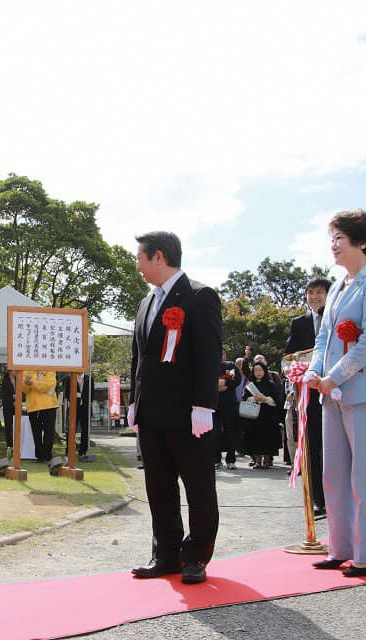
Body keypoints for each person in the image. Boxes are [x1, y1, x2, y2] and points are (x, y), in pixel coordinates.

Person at [306, 209, 366, 577]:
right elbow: (324, 336)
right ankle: (340, 547)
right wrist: (315, 370)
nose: (333, 246)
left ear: (361, 241)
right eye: (331, 239)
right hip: (332, 394)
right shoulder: (340, 285)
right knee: (334, 473)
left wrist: (335, 376)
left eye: (339, 238)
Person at [128, 231, 222, 585]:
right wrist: (135, 401)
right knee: (159, 486)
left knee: (198, 487)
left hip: (187, 413)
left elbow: (209, 356)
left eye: (140, 257)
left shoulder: (199, 296)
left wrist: (203, 405)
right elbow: (140, 355)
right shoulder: (146, 302)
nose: (137, 265)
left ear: (159, 257)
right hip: (152, 413)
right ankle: (165, 553)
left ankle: (196, 555)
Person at [284, 276, 331, 515]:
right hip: (309, 395)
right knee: (312, 445)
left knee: (334, 446)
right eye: (311, 293)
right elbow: (289, 357)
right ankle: (317, 498)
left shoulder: (337, 319)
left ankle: (338, 496)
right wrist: (293, 370)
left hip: (334, 391)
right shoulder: (299, 323)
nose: (315, 297)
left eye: (320, 292)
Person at [240, 362, 283, 469]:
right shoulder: (250, 385)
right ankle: (257, 460)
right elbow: (245, 398)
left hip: (268, 415)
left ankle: (267, 460)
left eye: (260, 370)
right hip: (254, 416)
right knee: (255, 437)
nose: (258, 373)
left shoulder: (271, 384)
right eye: (256, 370)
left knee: (268, 436)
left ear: (264, 371)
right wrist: (254, 398)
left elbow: (277, 400)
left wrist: (266, 399)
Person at [23, 370, 58, 462]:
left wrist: (32, 383)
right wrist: (26, 384)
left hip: (49, 406)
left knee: (49, 432)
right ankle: (39, 456)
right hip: (33, 407)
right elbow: (23, 389)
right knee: (36, 433)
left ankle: (47, 456)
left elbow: (46, 386)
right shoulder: (27, 371)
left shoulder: (50, 370)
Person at [214, 349, 240, 469]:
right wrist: (217, 386)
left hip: (229, 404)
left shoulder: (231, 366)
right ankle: (216, 460)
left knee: (231, 431)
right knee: (215, 432)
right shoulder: (210, 365)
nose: (220, 356)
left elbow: (236, 380)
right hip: (214, 404)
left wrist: (224, 382)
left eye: (223, 353)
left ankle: (230, 460)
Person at [1, 370, 16, 455]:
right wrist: (13, 397)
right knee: (8, 424)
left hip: (17, 405)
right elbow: (5, 394)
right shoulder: (5, 380)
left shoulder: (18, 379)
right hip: (8, 405)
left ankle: (16, 443)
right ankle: (9, 444)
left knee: (16, 424)